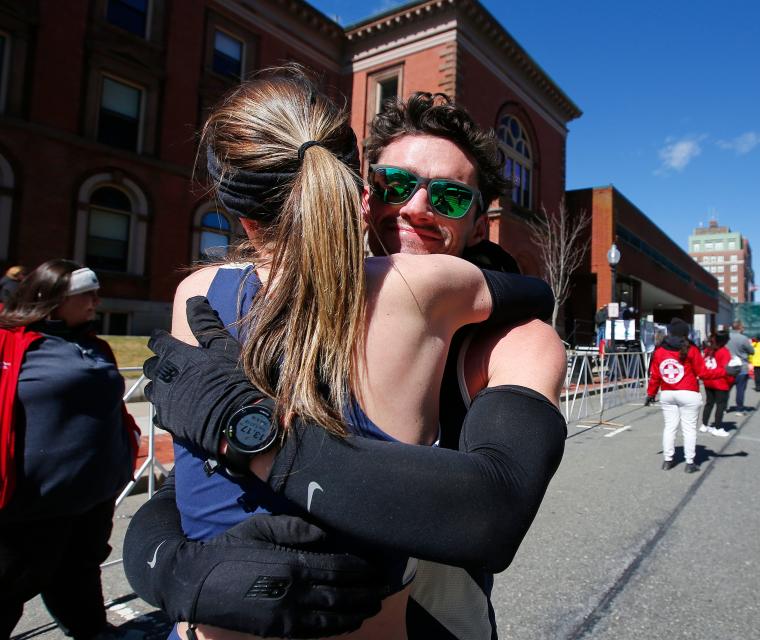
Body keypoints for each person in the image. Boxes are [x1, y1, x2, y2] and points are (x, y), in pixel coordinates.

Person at [125, 82, 567, 640]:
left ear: (480, 223)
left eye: (450, 197)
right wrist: (168, 568)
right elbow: (183, 487)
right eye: (395, 185)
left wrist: (249, 430)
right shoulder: (268, 301)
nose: (415, 208)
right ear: (357, 192)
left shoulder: (516, 339)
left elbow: (493, 509)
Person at [0, 260, 140, 639]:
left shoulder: (94, 344)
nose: (97, 301)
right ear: (51, 298)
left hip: (94, 495)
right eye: (86, 295)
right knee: (11, 581)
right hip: (34, 503)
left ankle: (91, 629)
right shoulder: (11, 342)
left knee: (80, 570)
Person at [644, 318, 725, 473]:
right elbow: (703, 373)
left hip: (667, 393)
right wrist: (724, 372)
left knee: (670, 428)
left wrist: (650, 394)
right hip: (688, 393)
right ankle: (689, 463)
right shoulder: (691, 349)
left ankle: (668, 461)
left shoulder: (659, 350)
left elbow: (655, 376)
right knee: (688, 430)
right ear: (686, 333)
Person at [700, 331, 735, 437]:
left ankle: (704, 425)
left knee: (709, 403)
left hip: (708, 381)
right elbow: (726, 369)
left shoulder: (708, 350)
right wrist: (730, 380)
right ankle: (718, 427)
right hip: (720, 382)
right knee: (720, 405)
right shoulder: (724, 351)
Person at [727, 320, 754, 413]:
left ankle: (723, 407)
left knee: (726, 389)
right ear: (740, 328)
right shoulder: (744, 338)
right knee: (740, 389)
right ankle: (739, 409)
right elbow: (751, 351)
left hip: (728, 366)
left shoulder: (726, 337)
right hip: (742, 367)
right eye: (743, 327)